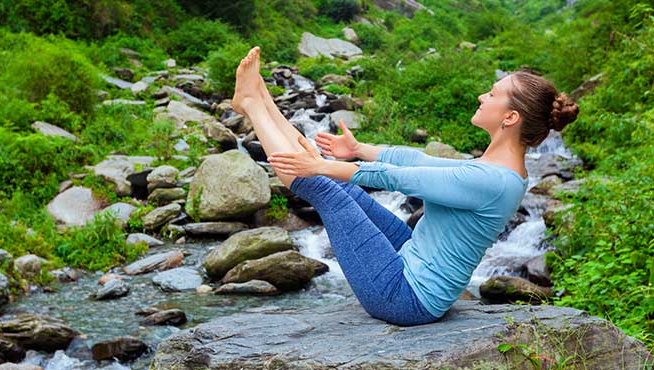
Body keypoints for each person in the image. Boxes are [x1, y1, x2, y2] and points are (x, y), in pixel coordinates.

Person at [231, 46, 579, 325]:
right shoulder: (501, 170)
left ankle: (251, 106)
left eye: (492, 94)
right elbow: (420, 161)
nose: (481, 96)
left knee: (325, 188)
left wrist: (326, 166)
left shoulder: (492, 180)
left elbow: (401, 179)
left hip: (405, 298)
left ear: (510, 117)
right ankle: (261, 99)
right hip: (413, 258)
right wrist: (358, 150)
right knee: (343, 189)